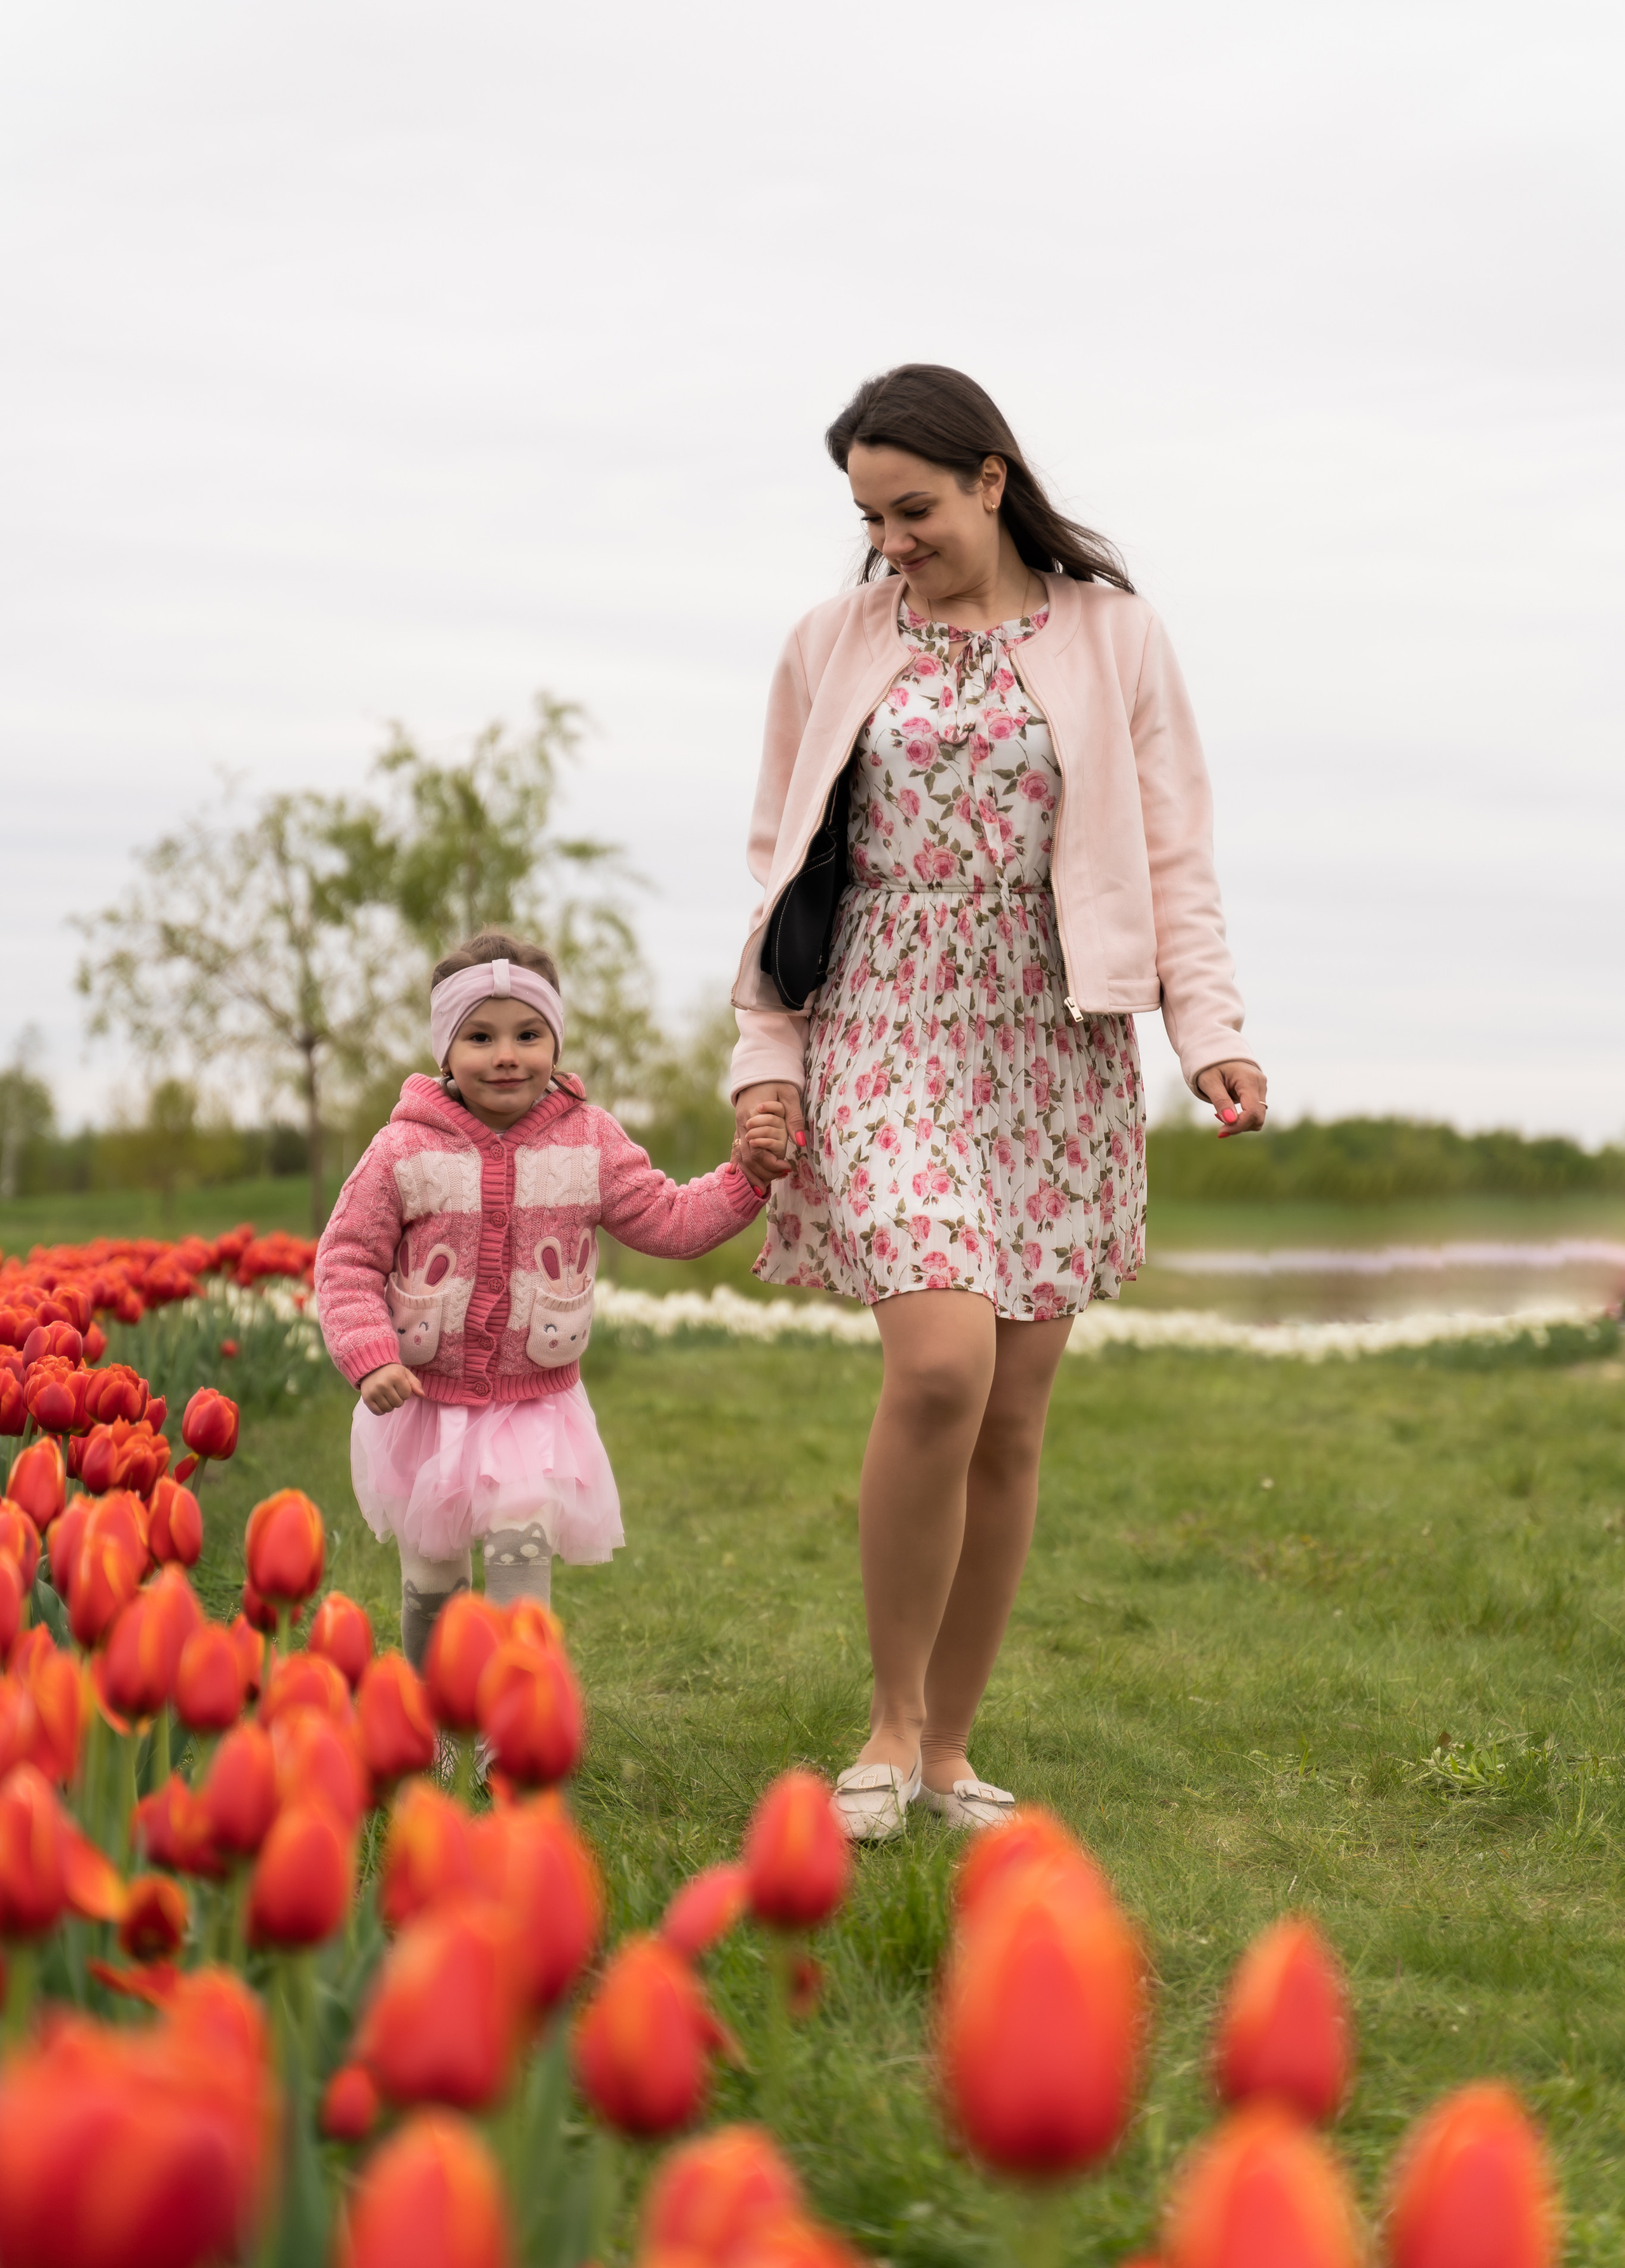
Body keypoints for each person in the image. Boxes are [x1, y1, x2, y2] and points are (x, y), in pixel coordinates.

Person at [729, 365, 1266, 1841]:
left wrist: (1204, 1031)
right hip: (885, 1013)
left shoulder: (1115, 637)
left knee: (1011, 1417)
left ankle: (949, 1753)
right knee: (940, 1366)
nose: (887, 538)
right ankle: (884, 1722)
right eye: (864, 514)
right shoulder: (826, 645)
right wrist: (765, 1060)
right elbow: (780, 870)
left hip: (1053, 1033)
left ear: (986, 480)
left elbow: (1172, 858)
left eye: (911, 509)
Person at [315, 930, 786, 1664]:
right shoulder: (403, 1150)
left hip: (532, 1407)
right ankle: (433, 1720)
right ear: (445, 1051)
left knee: (519, 1555)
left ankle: (511, 1725)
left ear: (555, 1043)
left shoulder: (589, 1140)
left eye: (528, 1034)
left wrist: (745, 1179)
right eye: (480, 1037)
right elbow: (346, 1259)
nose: (506, 1054)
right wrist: (371, 1358)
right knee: (433, 1575)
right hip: (423, 1402)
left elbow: (665, 1218)